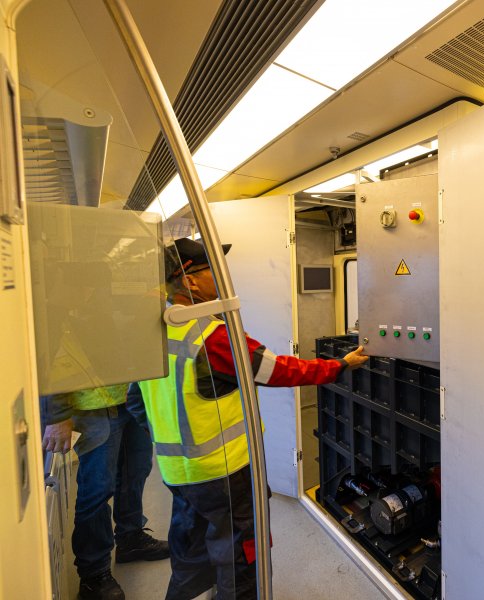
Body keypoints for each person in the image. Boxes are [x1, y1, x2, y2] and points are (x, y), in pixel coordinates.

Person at [134, 238, 368, 600]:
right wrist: (340, 365)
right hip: (223, 471)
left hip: (177, 471)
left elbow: (136, 402)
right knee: (240, 555)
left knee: (190, 548)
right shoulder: (211, 337)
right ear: (190, 281)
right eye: (213, 268)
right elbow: (278, 370)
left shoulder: (154, 330)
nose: (223, 276)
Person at [42, 384, 170, 600]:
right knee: (97, 490)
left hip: (132, 393)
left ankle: (130, 537)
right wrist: (57, 415)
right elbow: (53, 356)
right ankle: (94, 574)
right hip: (90, 405)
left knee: (136, 470)